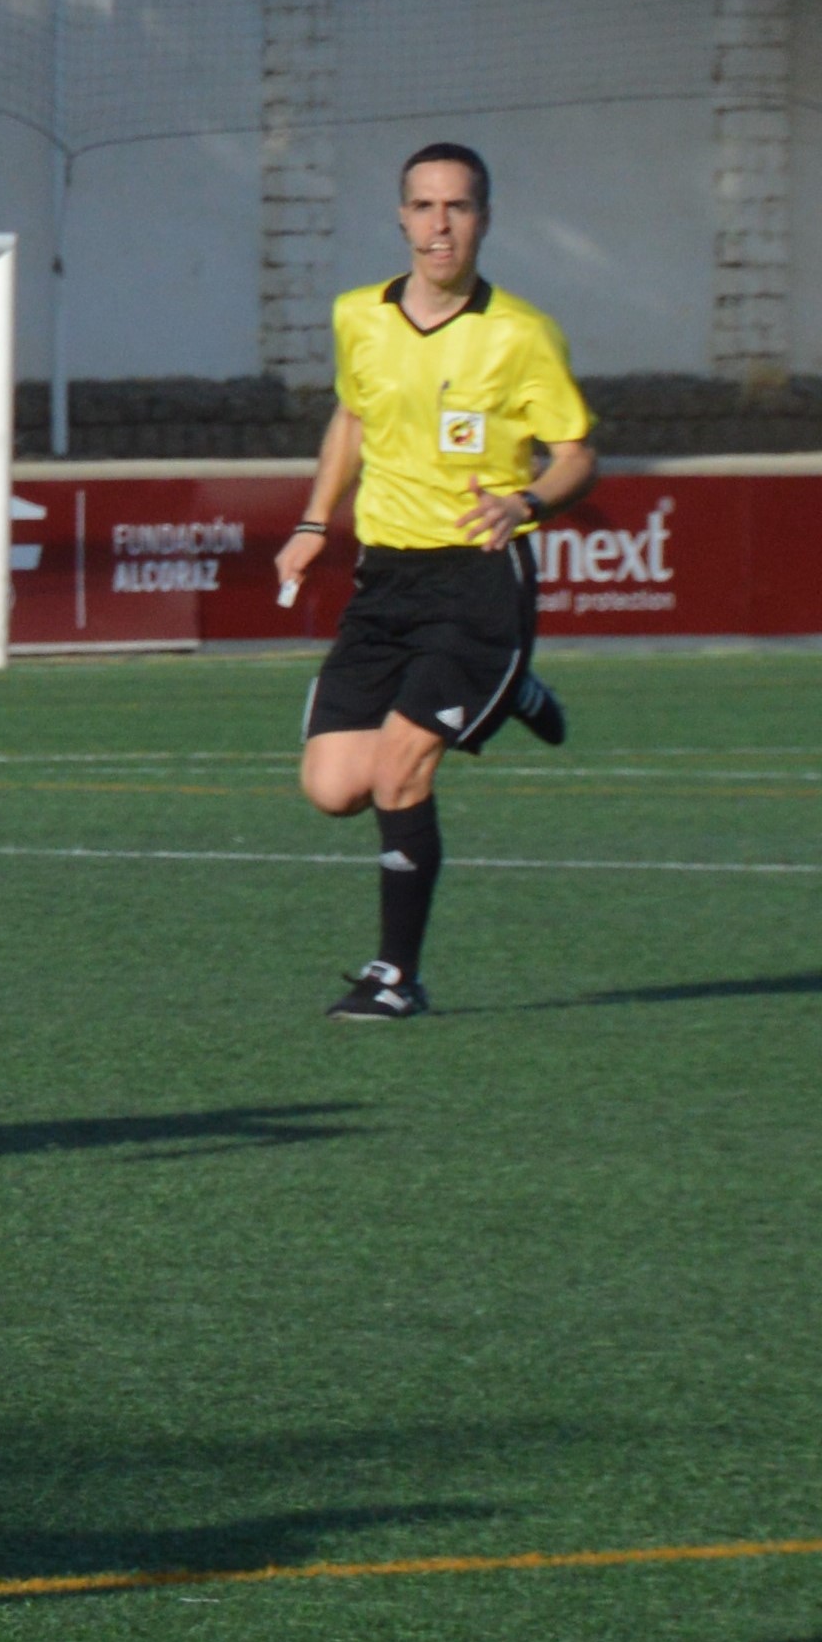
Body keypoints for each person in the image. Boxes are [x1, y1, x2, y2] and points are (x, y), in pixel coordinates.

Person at [272, 142, 592, 1022]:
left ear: (484, 219)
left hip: (479, 582)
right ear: (402, 217)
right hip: (386, 583)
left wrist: (524, 503)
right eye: (423, 207)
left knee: (402, 772)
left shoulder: (522, 334)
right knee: (333, 787)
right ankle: (513, 693)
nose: (439, 225)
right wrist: (311, 523)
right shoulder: (358, 316)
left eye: (457, 207)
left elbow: (576, 456)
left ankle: (395, 977)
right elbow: (353, 415)